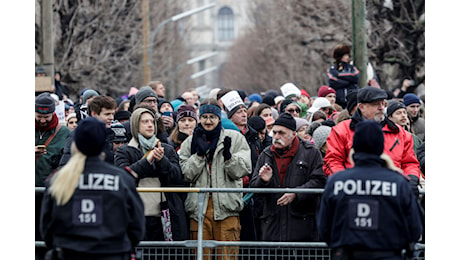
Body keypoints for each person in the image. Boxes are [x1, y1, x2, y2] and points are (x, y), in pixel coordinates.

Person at [40, 117, 145, 260]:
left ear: (75, 144)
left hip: (70, 253)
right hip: (112, 253)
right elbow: (136, 227)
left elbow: (47, 229)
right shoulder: (122, 179)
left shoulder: (58, 180)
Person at [317, 120, 424, 260]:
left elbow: (324, 227)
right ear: (381, 146)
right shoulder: (399, 182)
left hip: (348, 254)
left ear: (355, 145)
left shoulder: (337, 182)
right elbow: (415, 227)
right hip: (389, 254)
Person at [179, 99, 252, 259]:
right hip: (199, 211)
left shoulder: (235, 138)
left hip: (227, 210)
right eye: (204, 116)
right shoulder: (190, 142)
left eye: (212, 116)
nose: (208, 121)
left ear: (219, 118)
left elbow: (244, 169)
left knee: (226, 257)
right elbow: (186, 174)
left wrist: (228, 157)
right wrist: (198, 155)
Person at [323, 87, 421, 196]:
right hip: (355, 192)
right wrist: (344, 183)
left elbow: (410, 162)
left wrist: (410, 180)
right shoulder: (341, 130)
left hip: (392, 193)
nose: (381, 108)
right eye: (375, 104)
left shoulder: (400, 133)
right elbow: (332, 161)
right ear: (361, 107)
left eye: (383, 103)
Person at [114, 107, 188, 242]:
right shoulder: (124, 151)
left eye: (151, 121)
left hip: (164, 216)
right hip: (136, 215)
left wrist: (162, 161)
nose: (149, 125)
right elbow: (123, 177)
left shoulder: (167, 149)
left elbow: (178, 177)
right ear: (136, 125)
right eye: (144, 122)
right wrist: (146, 161)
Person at [250, 113, 327, 242]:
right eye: (274, 133)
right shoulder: (266, 154)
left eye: (281, 133)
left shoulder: (311, 152)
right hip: (273, 228)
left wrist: (296, 193)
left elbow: (319, 181)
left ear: (293, 134)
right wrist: (263, 181)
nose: (276, 137)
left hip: (302, 227)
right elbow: (254, 188)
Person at [221, 91, 262, 241]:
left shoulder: (254, 135)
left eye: (245, 110)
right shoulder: (227, 136)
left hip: (253, 189)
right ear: (230, 116)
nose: (244, 114)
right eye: (239, 112)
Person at [35, 92, 72, 259]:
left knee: (46, 233)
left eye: (46, 117)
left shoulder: (64, 133)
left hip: (51, 194)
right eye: (38, 116)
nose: (42, 120)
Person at [59, 95, 117, 166]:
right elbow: (66, 163)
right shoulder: (78, 135)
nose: (111, 118)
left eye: (113, 114)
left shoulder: (109, 133)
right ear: (94, 114)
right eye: (107, 114)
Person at [327, 43, 360, 108]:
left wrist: (339, 76)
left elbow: (356, 77)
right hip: (338, 102)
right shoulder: (333, 69)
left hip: (352, 100)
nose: (347, 57)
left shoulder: (351, 68)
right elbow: (332, 81)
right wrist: (349, 82)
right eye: (345, 55)